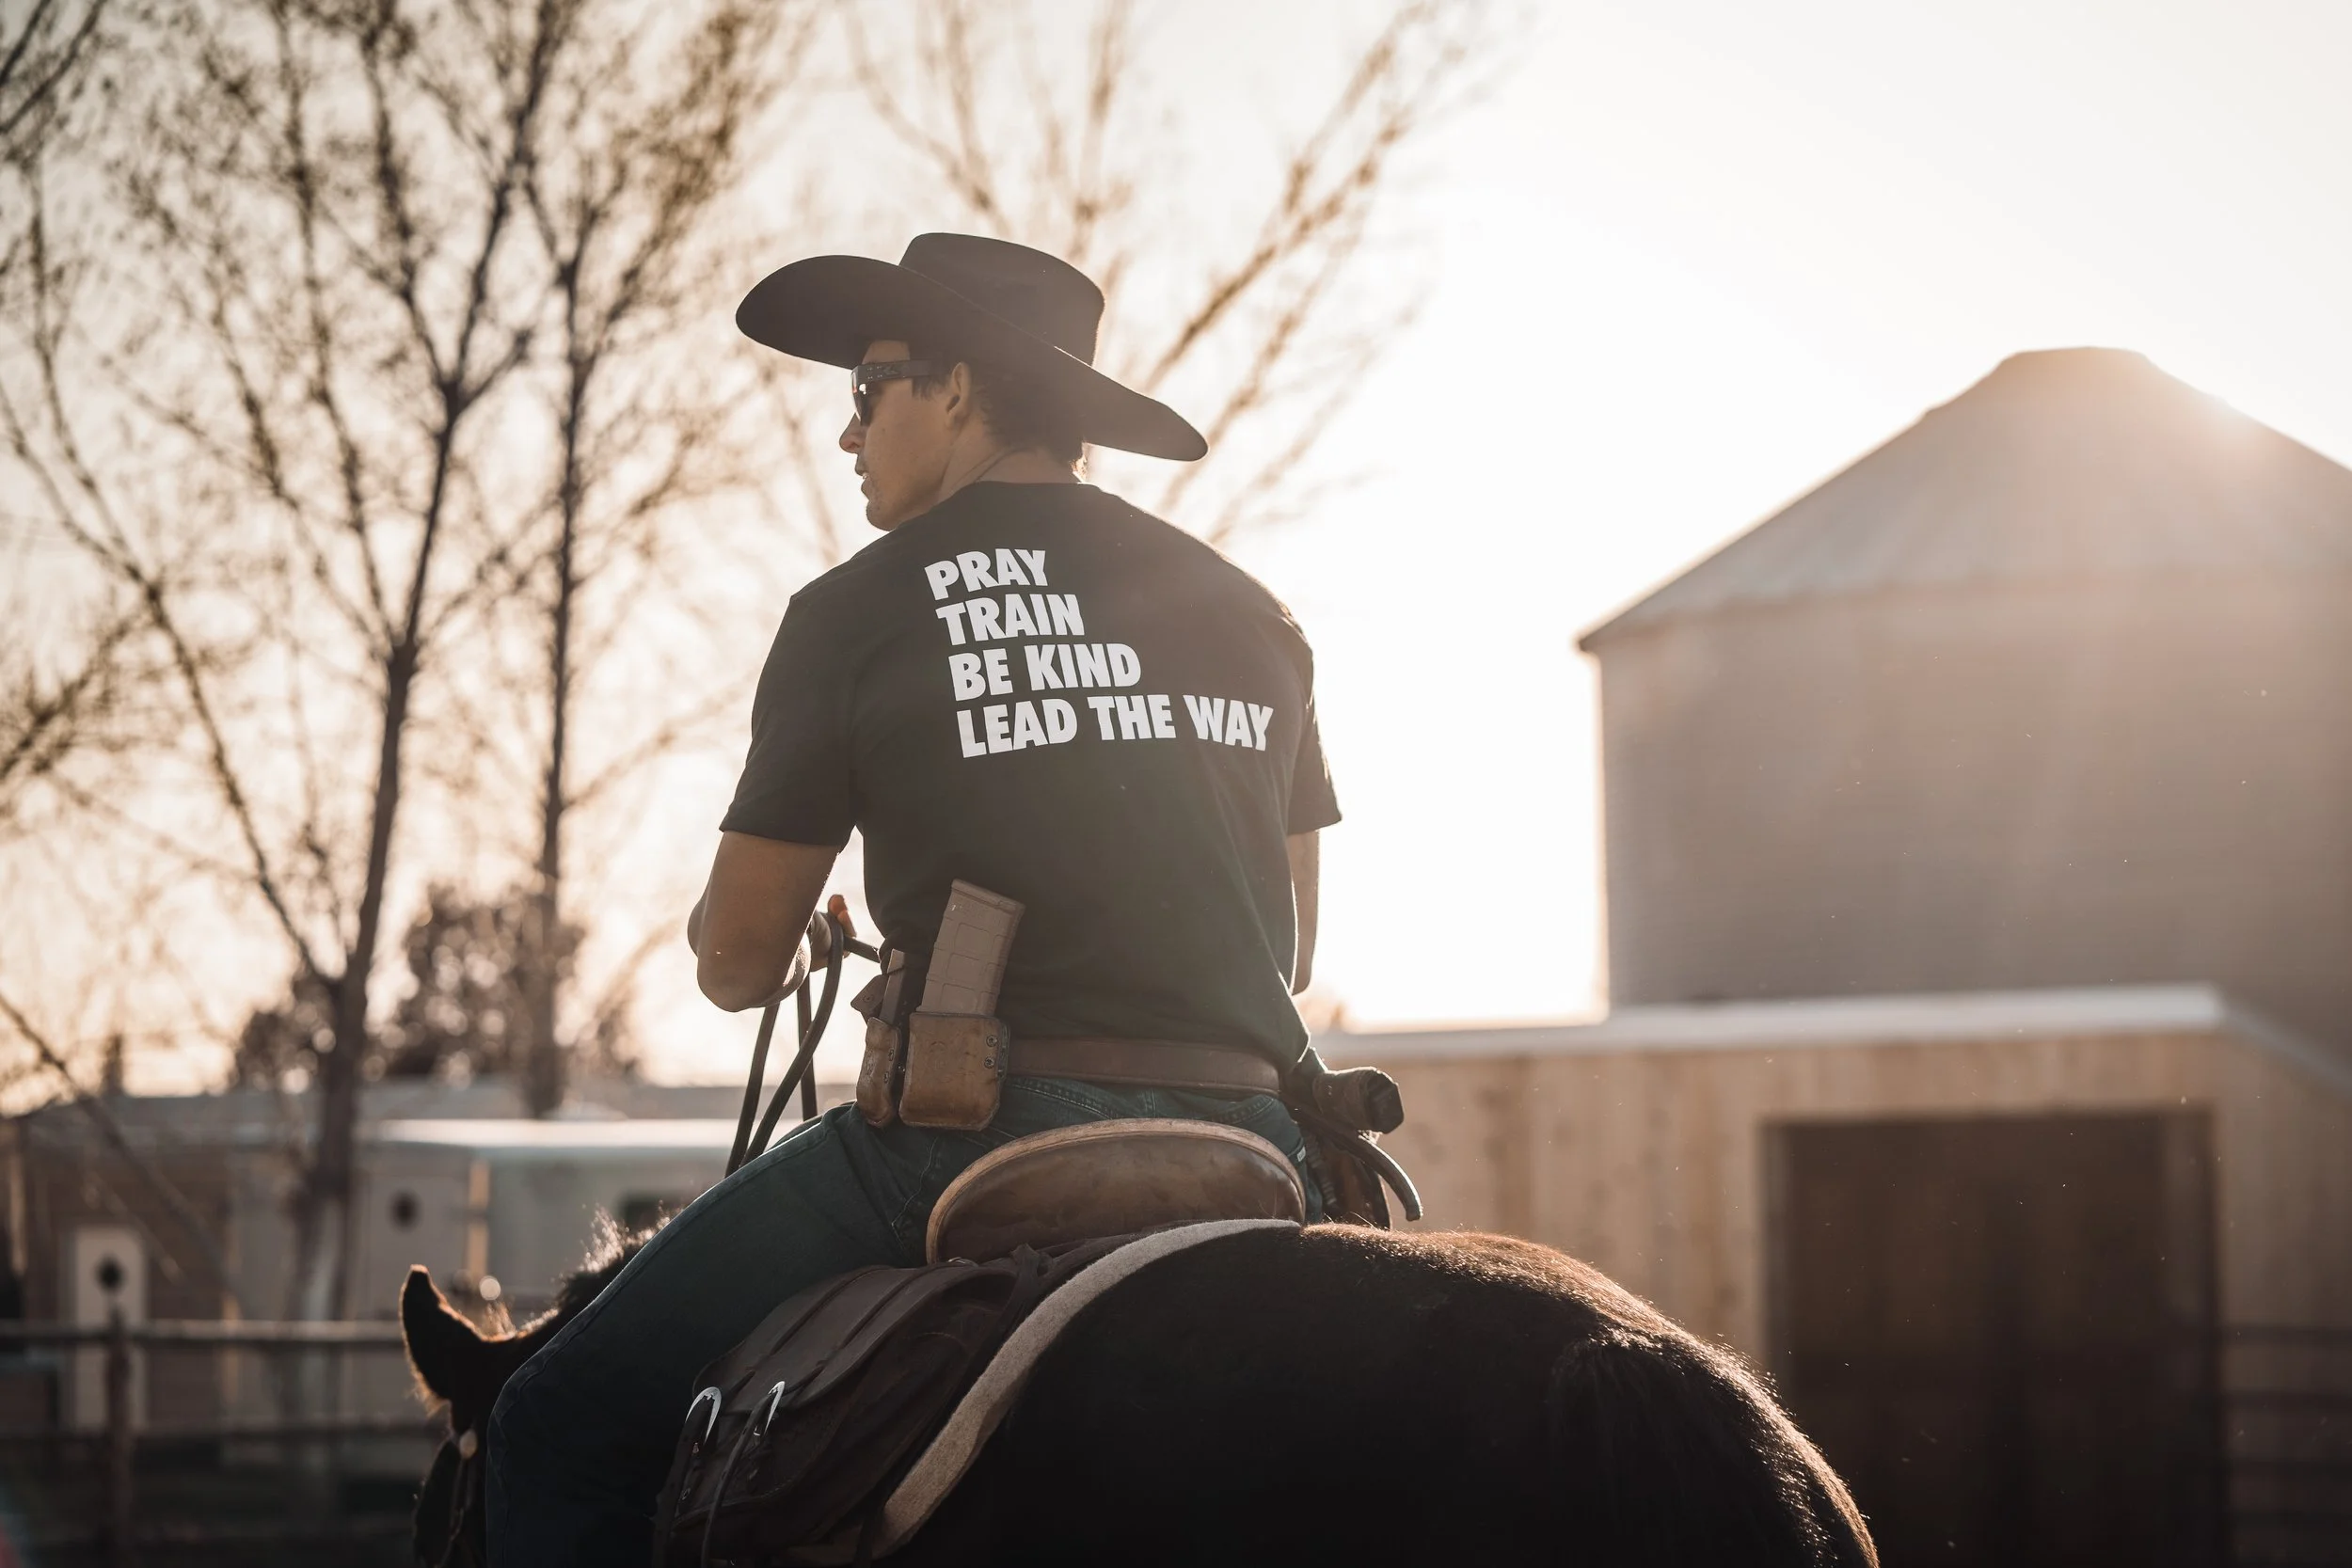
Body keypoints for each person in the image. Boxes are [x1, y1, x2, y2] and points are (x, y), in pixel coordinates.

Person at [484, 233, 1343, 1563]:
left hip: (975, 1137)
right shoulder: (1256, 616)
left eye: (869, 386)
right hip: (1260, 1138)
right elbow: (1289, 933)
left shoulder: (856, 611)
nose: (847, 431)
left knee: (552, 1420)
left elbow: (738, 962)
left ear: (957, 385)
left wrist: (732, 931)